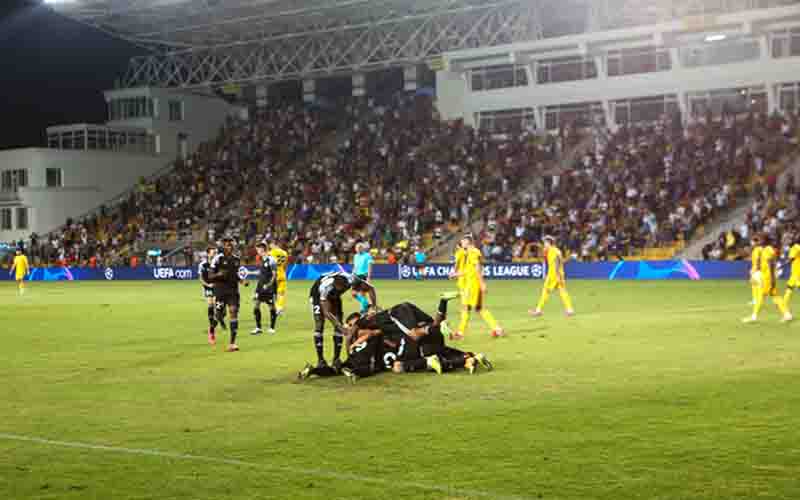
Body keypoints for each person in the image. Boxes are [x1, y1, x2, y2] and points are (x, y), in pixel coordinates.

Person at [309, 271, 376, 371]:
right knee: (320, 324)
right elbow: (327, 312)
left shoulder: (352, 279)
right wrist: (340, 327)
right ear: (335, 285)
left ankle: (336, 359)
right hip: (317, 295)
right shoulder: (325, 288)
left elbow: (371, 289)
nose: (341, 290)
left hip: (334, 296)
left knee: (339, 322)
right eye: (338, 288)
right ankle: (321, 360)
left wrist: (372, 307)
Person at [453, 234, 504, 339]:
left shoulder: (473, 252)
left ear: (468, 242)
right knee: (476, 308)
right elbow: (470, 270)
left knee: (470, 308)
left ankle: (460, 333)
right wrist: (458, 274)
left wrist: (482, 284)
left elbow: (477, 269)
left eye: (463, 241)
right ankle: (497, 329)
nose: (461, 243)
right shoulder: (470, 252)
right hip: (470, 284)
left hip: (473, 285)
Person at [209, 238, 249, 351]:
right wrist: (219, 274)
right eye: (227, 245)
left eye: (231, 245)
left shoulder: (236, 259)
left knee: (233, 311)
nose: (229, 247)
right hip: (220, 291)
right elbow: (210, 276)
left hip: (233, 291)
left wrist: (242, 281)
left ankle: (232, 343)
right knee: (219, 315)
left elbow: (235, 275)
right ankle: (212, 329)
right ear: (223, 247)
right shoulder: (217, 259)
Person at [743, 234, 791, 323]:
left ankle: (754, 317)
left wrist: (772, 279)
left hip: (768, 278)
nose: (759, 241)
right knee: (775, 296)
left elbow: (771, 265)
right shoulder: (765, 250)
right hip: (766, 276)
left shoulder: (768, 250)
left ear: (765, 241)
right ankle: (787, 314)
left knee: (761, 296)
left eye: (761, 240)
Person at [530, 235, 575, 318]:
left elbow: (557, 262)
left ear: (549, 243)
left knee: (545, 291)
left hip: (553, 274)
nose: (544, 244)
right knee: (562, 291)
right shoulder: (554, 250)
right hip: (558, 274)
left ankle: (538, 310)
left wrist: (557, 275)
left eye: (545, 243)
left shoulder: (553, 251)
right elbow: (559, 261)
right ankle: (569, 309)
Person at [252, 243, 279, 335]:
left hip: (268, 287)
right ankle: (258, 327)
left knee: (271, 306)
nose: (257, 251)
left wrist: (269, 285)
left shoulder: (271, 260)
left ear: (262, 249)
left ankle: (272, 328)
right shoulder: (262, 260)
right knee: (256, 305)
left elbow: (274, 275)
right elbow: (263, 273)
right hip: (260, 287)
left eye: (258, 249)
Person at [199, 246, 222, 344]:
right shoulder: (203, 265)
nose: (214, 254)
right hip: (208, 288)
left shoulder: (218, 264)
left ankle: (215, 322)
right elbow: (200, 278)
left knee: (220, 310)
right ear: (208, 253)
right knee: (211, 305)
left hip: (218, 287)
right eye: (213, 252)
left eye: (215, 252)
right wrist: (208, 284)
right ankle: (211, 330)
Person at [268, 241, 289, 316]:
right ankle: (280, 309)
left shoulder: (271, 253)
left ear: (273, 244)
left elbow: (269, 265)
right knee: (281, 294)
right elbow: (285, 265)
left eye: (270, 244)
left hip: (274, 275)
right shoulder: (285, 253)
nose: (269, 246)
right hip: (282, 274)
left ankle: (275, 308)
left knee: (273, 293)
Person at [351, 243, 374, 313]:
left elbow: (370, 265)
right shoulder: (355, 256)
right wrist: (353, 273)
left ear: (362, 248)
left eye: (359, 248)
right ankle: (366, 303)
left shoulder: (367, 255)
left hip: (364, 275)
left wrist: (369, 277)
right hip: (356, 276)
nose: (357, 250)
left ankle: (363, 309)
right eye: (356, 248)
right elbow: (355, 266)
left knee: (362, 293)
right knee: (353, 293)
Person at [783, 233, 800, 311]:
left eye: (789, 241)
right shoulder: (797, 247)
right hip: (796, 271)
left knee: (792, 287)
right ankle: (784, 302)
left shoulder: (794, 248)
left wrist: (781, 266)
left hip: (797, 272)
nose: (787, 242)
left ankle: (784, 302)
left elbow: (791, 259)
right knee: (789, 287)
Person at [748, 235, 764, 307]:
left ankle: (758, 300)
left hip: (758, 269)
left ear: (756, 242)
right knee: (754, 284)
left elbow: (758, 259)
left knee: (758, 284)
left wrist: (756, 268)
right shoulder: (755, 249)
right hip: (755, 268)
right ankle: (755, 299)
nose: (751, 243)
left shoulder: (758, 249)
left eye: (753, 241)